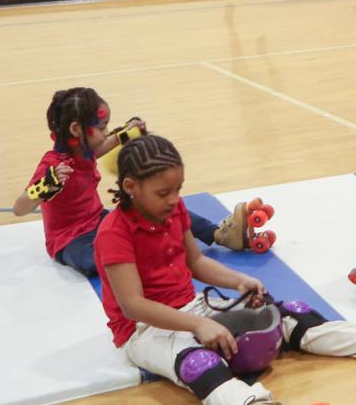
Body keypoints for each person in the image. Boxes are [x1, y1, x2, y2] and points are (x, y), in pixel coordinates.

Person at [95, 134, 356, 405]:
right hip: (144, 330)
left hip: (190, 309)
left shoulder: (175, 211)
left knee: (286, 315)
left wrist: (241, 281)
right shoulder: (113, 233)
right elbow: (134, 305)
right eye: (163, 192)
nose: (174, 199)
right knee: (196, 361)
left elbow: (197, 262)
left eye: (178, 189)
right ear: (130, 187)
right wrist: (199, 324)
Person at [14, 87, 265, 278]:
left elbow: (101, 147)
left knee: (161, 208)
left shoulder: (84, 149)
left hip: (98, 219)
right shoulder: (54, 165)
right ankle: (149, 248)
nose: (105, 132)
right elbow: (19, 208)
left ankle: (221, 234)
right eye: (101, 127)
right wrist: (45, 185)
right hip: (69, 240)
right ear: (77, 129)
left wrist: (126, 132)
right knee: (93, 262)